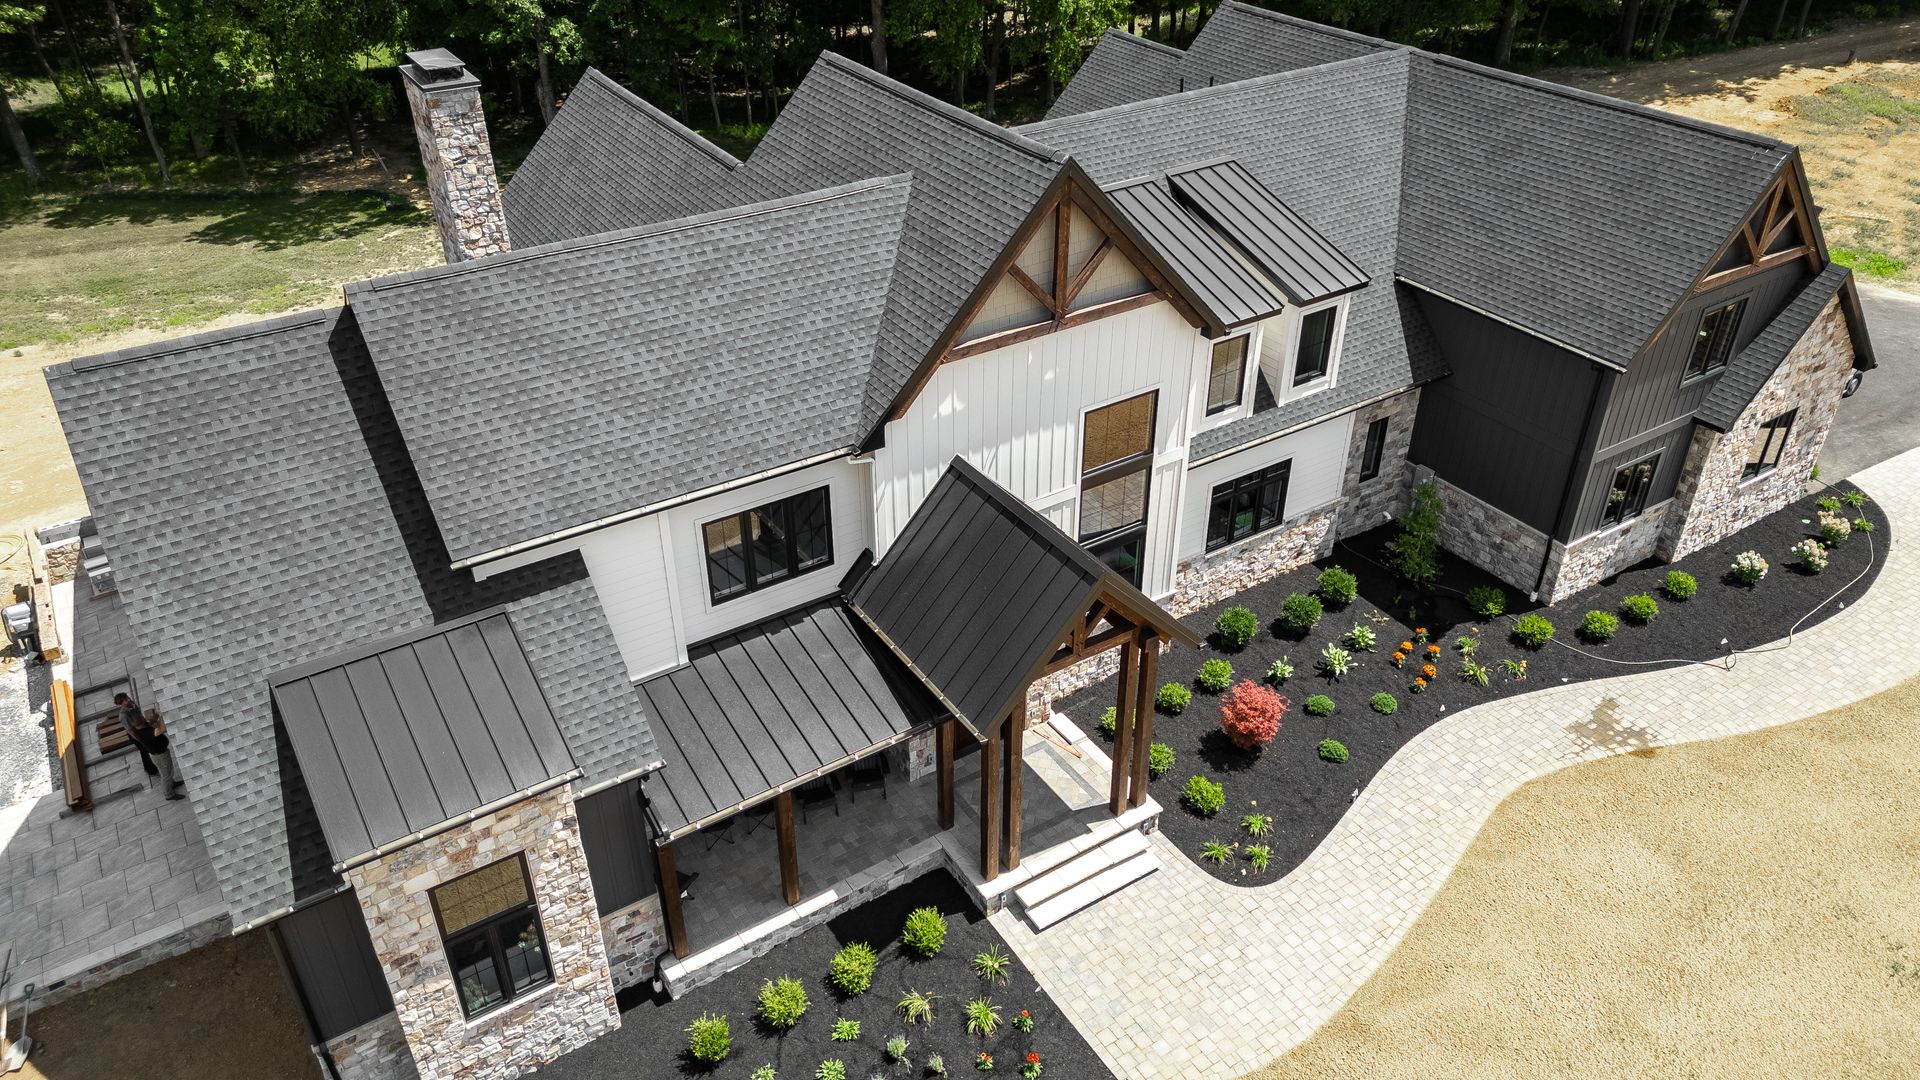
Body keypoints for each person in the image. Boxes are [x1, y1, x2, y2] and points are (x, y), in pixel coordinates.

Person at [115, 693, 183, 800]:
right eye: (125, 700)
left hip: (145, 732)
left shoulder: (132, 705)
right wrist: (143, 741)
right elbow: (130, 730)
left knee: (167, 769)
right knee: (163, 770)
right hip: (141, 736)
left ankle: (171, 783)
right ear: (121, 703)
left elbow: (142, 719)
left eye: (127, 698)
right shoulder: (124, 716)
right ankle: (168, 793)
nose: (128, 700)